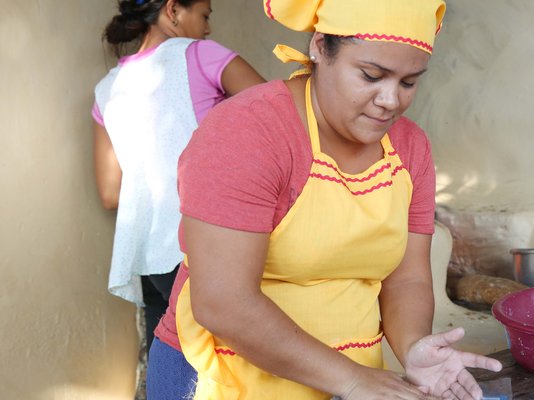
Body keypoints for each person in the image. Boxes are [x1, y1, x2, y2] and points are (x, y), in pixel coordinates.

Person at [148, 0, 502, 398]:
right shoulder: (248, 133)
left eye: (408, 82)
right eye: (371, 75)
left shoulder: (409, 148)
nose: (390, 100)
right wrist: (350, 379)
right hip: (224, 374)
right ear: (319, 46)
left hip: (349, 379)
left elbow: (408, 278)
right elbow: (224, 302)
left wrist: (413, 346)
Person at [92, 0, 265, 356]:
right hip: (202, 244)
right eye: (204, 15)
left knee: (169, 367)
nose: (208, 28)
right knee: (225, 369)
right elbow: (277, 122)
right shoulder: (200, 55)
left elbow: (110, 193)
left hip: (147, 256)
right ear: (173, 10)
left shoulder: (107, 89)